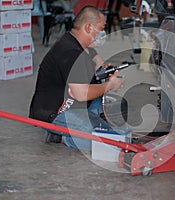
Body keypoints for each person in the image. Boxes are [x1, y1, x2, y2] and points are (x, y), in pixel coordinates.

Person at [29, 6, 124, 150]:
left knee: (119, 108)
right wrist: (109, 86)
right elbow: (81, 93)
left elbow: (98, 62)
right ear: (88, 27)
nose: (102, 33)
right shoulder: (69, 52)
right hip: (56, 112)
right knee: (101, 141)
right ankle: (61, 136)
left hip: (77, 105)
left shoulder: (80, 43)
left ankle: (89, 126)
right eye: (100, 28)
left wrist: (106, 70)